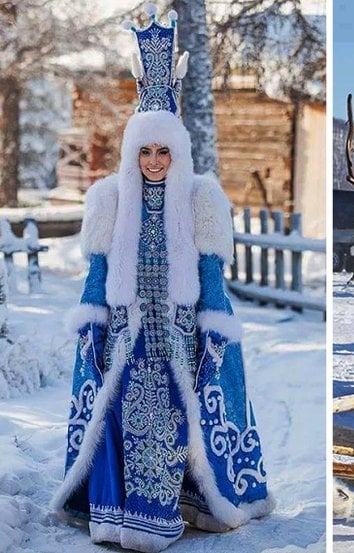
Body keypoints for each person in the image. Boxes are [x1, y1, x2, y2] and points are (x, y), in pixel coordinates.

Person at [51, 7, 271, 552]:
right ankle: (114, 516)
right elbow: (97, 273)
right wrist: (91, 325)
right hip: (126, 335)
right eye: (144, 150)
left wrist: (216, 328)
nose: (154, 161)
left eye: (163, 151)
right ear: (132, 152)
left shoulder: (202, 199)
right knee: (120, 426)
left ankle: (157, 519)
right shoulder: (109, 200)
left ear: (178, 152)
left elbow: (211, 275)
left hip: (176, 336)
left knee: (172, 426)